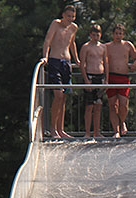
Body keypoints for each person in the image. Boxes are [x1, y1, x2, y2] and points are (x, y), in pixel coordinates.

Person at [42, 5, 80, 139]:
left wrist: (77, 59)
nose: (70, 19)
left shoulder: (74, 27)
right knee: (58, 95)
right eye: (68, 16)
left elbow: (72, 43)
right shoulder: (56, 24)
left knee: (64, 97)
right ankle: (53, 129)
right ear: (63, 15)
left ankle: (60, 129)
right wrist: (45, 56)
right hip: (55, 60)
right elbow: (48, 40)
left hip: (66, 62)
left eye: (73, 17)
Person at [106, 24, 136, 138]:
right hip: (111, 77)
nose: (118, 36)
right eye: (116, 33)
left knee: (124, 105)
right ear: (113, 34)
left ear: (123, 35)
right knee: (112, 105)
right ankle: (116, 130)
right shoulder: (107, 46)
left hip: (123, 77)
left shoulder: (128, 45)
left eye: (120, 33)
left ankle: (122, 122)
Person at [79, 24, 108, 138]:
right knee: (89, 106)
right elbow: (82, 64)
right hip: (90, 76)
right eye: (94, 35)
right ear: (90, 35)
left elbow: (106, 63)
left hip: (100, 77)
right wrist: (86, 80)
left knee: (98, 105)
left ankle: (97, 132)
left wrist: (106, 79)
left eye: (98, 35)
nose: (96, 37)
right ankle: (87, 132)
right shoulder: (86, 47)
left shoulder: (103, 47)